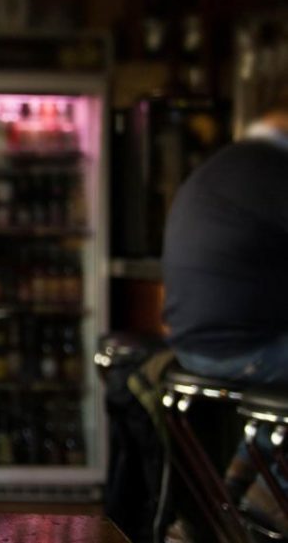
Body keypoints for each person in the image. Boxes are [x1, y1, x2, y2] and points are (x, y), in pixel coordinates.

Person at [162, 84, 288, 533]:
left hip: (192, 344)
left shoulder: (226, 165)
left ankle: (231, 504)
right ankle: (263, 510)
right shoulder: (272, 169)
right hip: (240, 350)